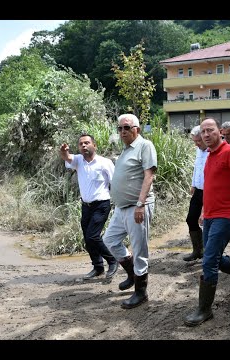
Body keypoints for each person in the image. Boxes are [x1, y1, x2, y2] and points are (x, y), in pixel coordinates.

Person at [184, 118, 230, 327]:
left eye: (210, 130)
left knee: (208, 261)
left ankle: (204, 310)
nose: (206, 134)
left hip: (227, 216)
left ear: (220, 132)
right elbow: (213, 186)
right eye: (203, 131)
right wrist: (204, 211)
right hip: (211, 215)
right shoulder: (209, 155)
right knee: (212, 256)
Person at [103, 113, 157, 309]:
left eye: (127, 127)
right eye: (120, 128)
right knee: (109, 240)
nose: (123, 131)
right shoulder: (125, 149)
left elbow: (148, 176)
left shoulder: (144, 146)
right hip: (121, 207)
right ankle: (132, 274)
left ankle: (141, 293)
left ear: (137, 129)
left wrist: (140, 204)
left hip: (137, 207)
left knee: (139, 249)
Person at [60, 134, 118, 280]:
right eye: (81, 144)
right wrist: (64, 151)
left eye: (87, 143)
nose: (84, 146)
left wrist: (118, 203)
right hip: (86, 206)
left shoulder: (105, 163)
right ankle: (98, 267)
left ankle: (112, 260)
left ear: (94, 145)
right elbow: (67, 158)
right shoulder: (79, 161)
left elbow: (115, 183)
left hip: (102, 204)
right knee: (88, 237)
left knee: (93, 236)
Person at [183, 125, 209, 262]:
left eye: (198, 141)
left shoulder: (212, 152)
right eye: (194, 141)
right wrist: (193, 184)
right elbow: (196, 168)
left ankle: (207, 252)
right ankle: (197, 250)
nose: (196, 144)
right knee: (191, 219)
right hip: (198, 190)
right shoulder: (199, 150)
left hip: (210, 192)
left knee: (206, 222)